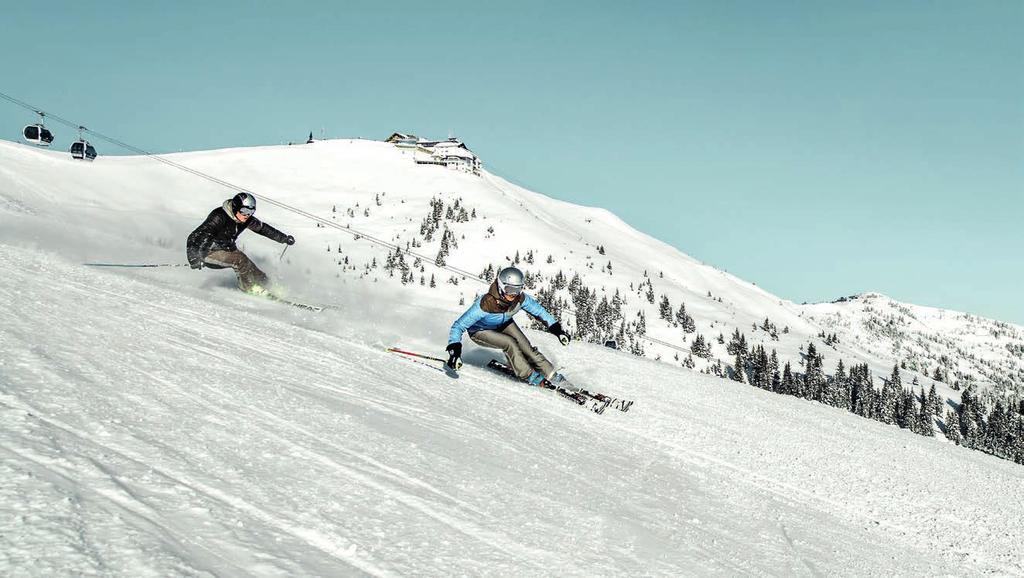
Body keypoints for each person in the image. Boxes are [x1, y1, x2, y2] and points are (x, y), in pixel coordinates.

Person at [446, 266, 572, 386]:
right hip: (480, 330)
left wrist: (557, 330)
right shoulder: (485, 304)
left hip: (503, 324)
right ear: (501, 287)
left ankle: (552, 375)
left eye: (517, 290)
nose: (513, 295)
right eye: (510, 290)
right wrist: (454, 351)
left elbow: (540, 312)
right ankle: (529, 375)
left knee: (526, 348)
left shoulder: (520, 299)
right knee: (509, 343)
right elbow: (458, 326)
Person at [186, 192, 295, 294]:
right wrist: (194, 257)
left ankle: (266, 284)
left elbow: (263, 229)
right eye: (244, 211)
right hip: (208, 251)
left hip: (227, 249)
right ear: (235, 208)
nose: (247, 215)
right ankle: (248, 288)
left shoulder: (246, 219)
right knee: (240, 261)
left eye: (251, 212)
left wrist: (283, 238)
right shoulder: (219, 216)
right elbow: (195, 236)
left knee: (248, 264)